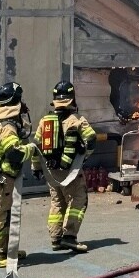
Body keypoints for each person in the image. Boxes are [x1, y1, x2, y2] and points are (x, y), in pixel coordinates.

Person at [32, 80, 96, 253]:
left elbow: (36, 146)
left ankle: (55, 239)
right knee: (78, 201)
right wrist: (83, 157)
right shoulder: (76, 120)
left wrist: (36, 167)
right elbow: (91, 139)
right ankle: (69, 237)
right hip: (71, 172)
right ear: (72, 99)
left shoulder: (45, 121)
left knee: (57, 203)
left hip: (51, 172)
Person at [0, 81, 31, 268]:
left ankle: (6, 251)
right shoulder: (6, 125)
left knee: (7, 214)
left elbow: (25, 132)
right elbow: (13, 153)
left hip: (0, 176)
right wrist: (31, 151)